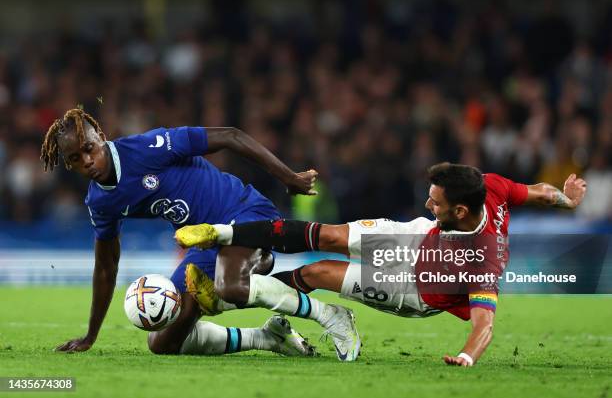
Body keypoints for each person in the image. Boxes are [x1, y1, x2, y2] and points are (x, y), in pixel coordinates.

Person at [176, 162, 587, 366]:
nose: (428, 203)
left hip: (416, 288)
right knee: (330, 235)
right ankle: (223, 233)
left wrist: (466, 358)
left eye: (436, 202)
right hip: (417, 239)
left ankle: (228, 301)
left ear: (460, 210)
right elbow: (538, 191)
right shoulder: (488, 186)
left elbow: (485, 324)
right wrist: (566, 198)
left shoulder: (481, 262)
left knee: (314, 273)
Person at [41, 108, 359, 360]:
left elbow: (230, 136)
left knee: (230, 286)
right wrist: (90, 335)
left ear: (102, 137)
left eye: (89, 149)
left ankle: (331, 315)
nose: (87, 161)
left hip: (243, 216)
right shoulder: (100, 201)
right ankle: (265, 338)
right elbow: (106, 267)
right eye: (75, 159)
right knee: (163, 340)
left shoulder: (148, 148)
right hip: (205, 244)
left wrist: (288, 177)